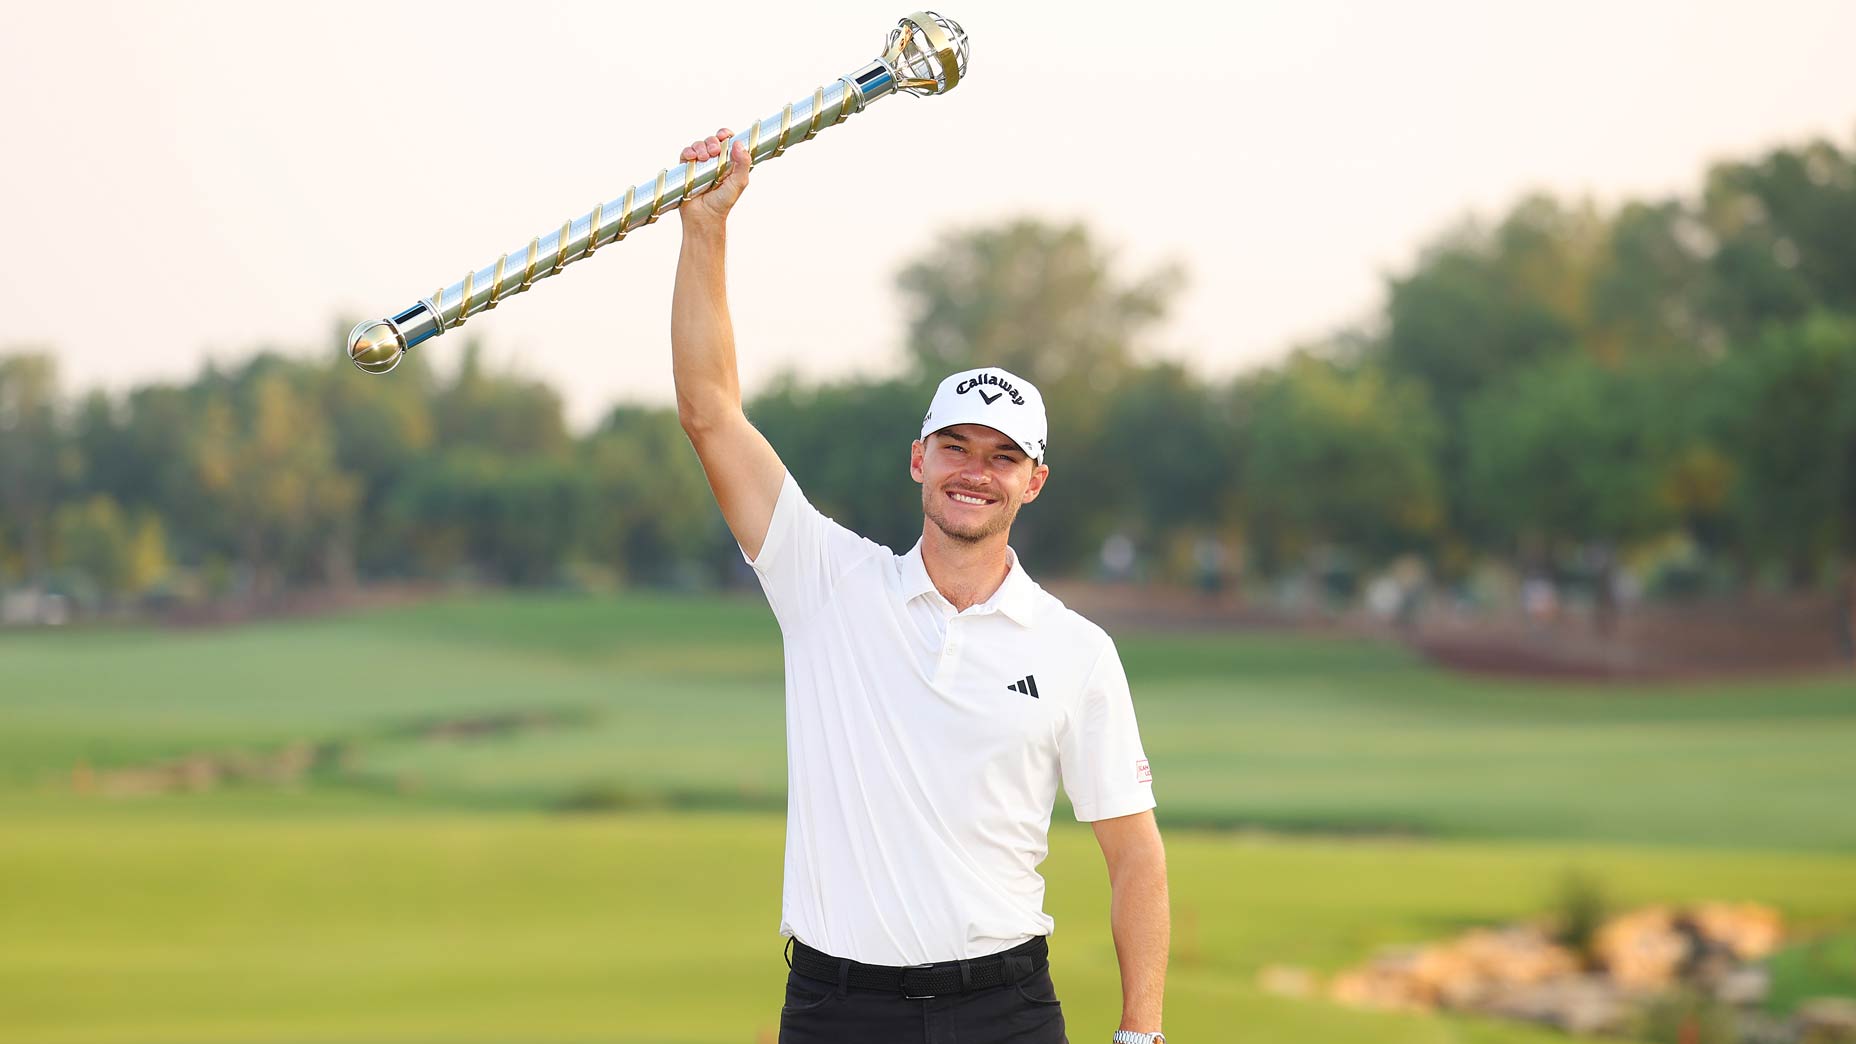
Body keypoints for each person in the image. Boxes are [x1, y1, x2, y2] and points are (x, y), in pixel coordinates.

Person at [670, 128, 1171, 1044]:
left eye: (1002, 456)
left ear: (1034, 481)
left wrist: (1141, 1032)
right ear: (919, 458)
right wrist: (706, 232)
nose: (975, 471)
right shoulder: (826, 581)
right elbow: (711, 412)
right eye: (956, 447)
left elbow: (1133, 853)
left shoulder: (1075, 651)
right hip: (837, 1009)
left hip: (1005, 1009)